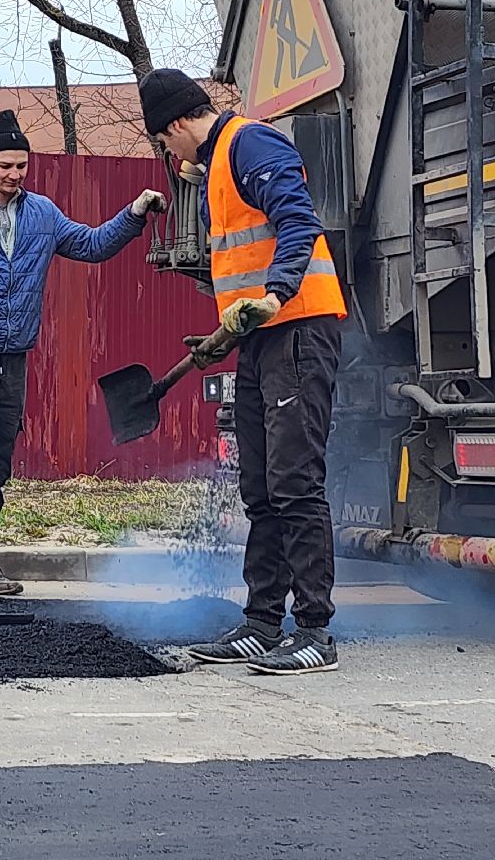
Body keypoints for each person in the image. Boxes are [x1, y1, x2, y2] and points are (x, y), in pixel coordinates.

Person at [138, 68, 347, 675]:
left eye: (163, 140)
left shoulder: (251, 143)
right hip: (260, 338)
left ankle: (314, 630)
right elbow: (241, 263)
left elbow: (298, 222)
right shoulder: (218, 165)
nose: (168, 154)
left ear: (176, 123)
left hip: (299, 327)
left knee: (295, 483)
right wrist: (224, 332)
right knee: (258, 486)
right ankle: (261, 621)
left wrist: (276, 295)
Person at [0, 110, 165, 601]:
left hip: (12, 357)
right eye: (5, 165)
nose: (14, 175)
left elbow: (91, 245)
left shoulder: (41, 215)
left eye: (22, 167)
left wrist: (133, 214)